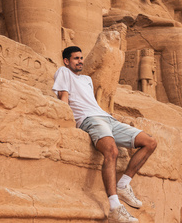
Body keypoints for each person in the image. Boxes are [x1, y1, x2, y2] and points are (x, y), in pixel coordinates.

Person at [53, 46, 157, 223]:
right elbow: (64, 98)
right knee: (111, 151)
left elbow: (92, 101)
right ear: (66, 61)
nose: (80, 61)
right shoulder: (63, 72)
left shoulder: (86, 79)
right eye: (76, 58)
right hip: (90, 120)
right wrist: (64, 121)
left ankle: (123, 185)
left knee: (150, 142)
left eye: (81, 58)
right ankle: (115, 207)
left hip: (107, 119)